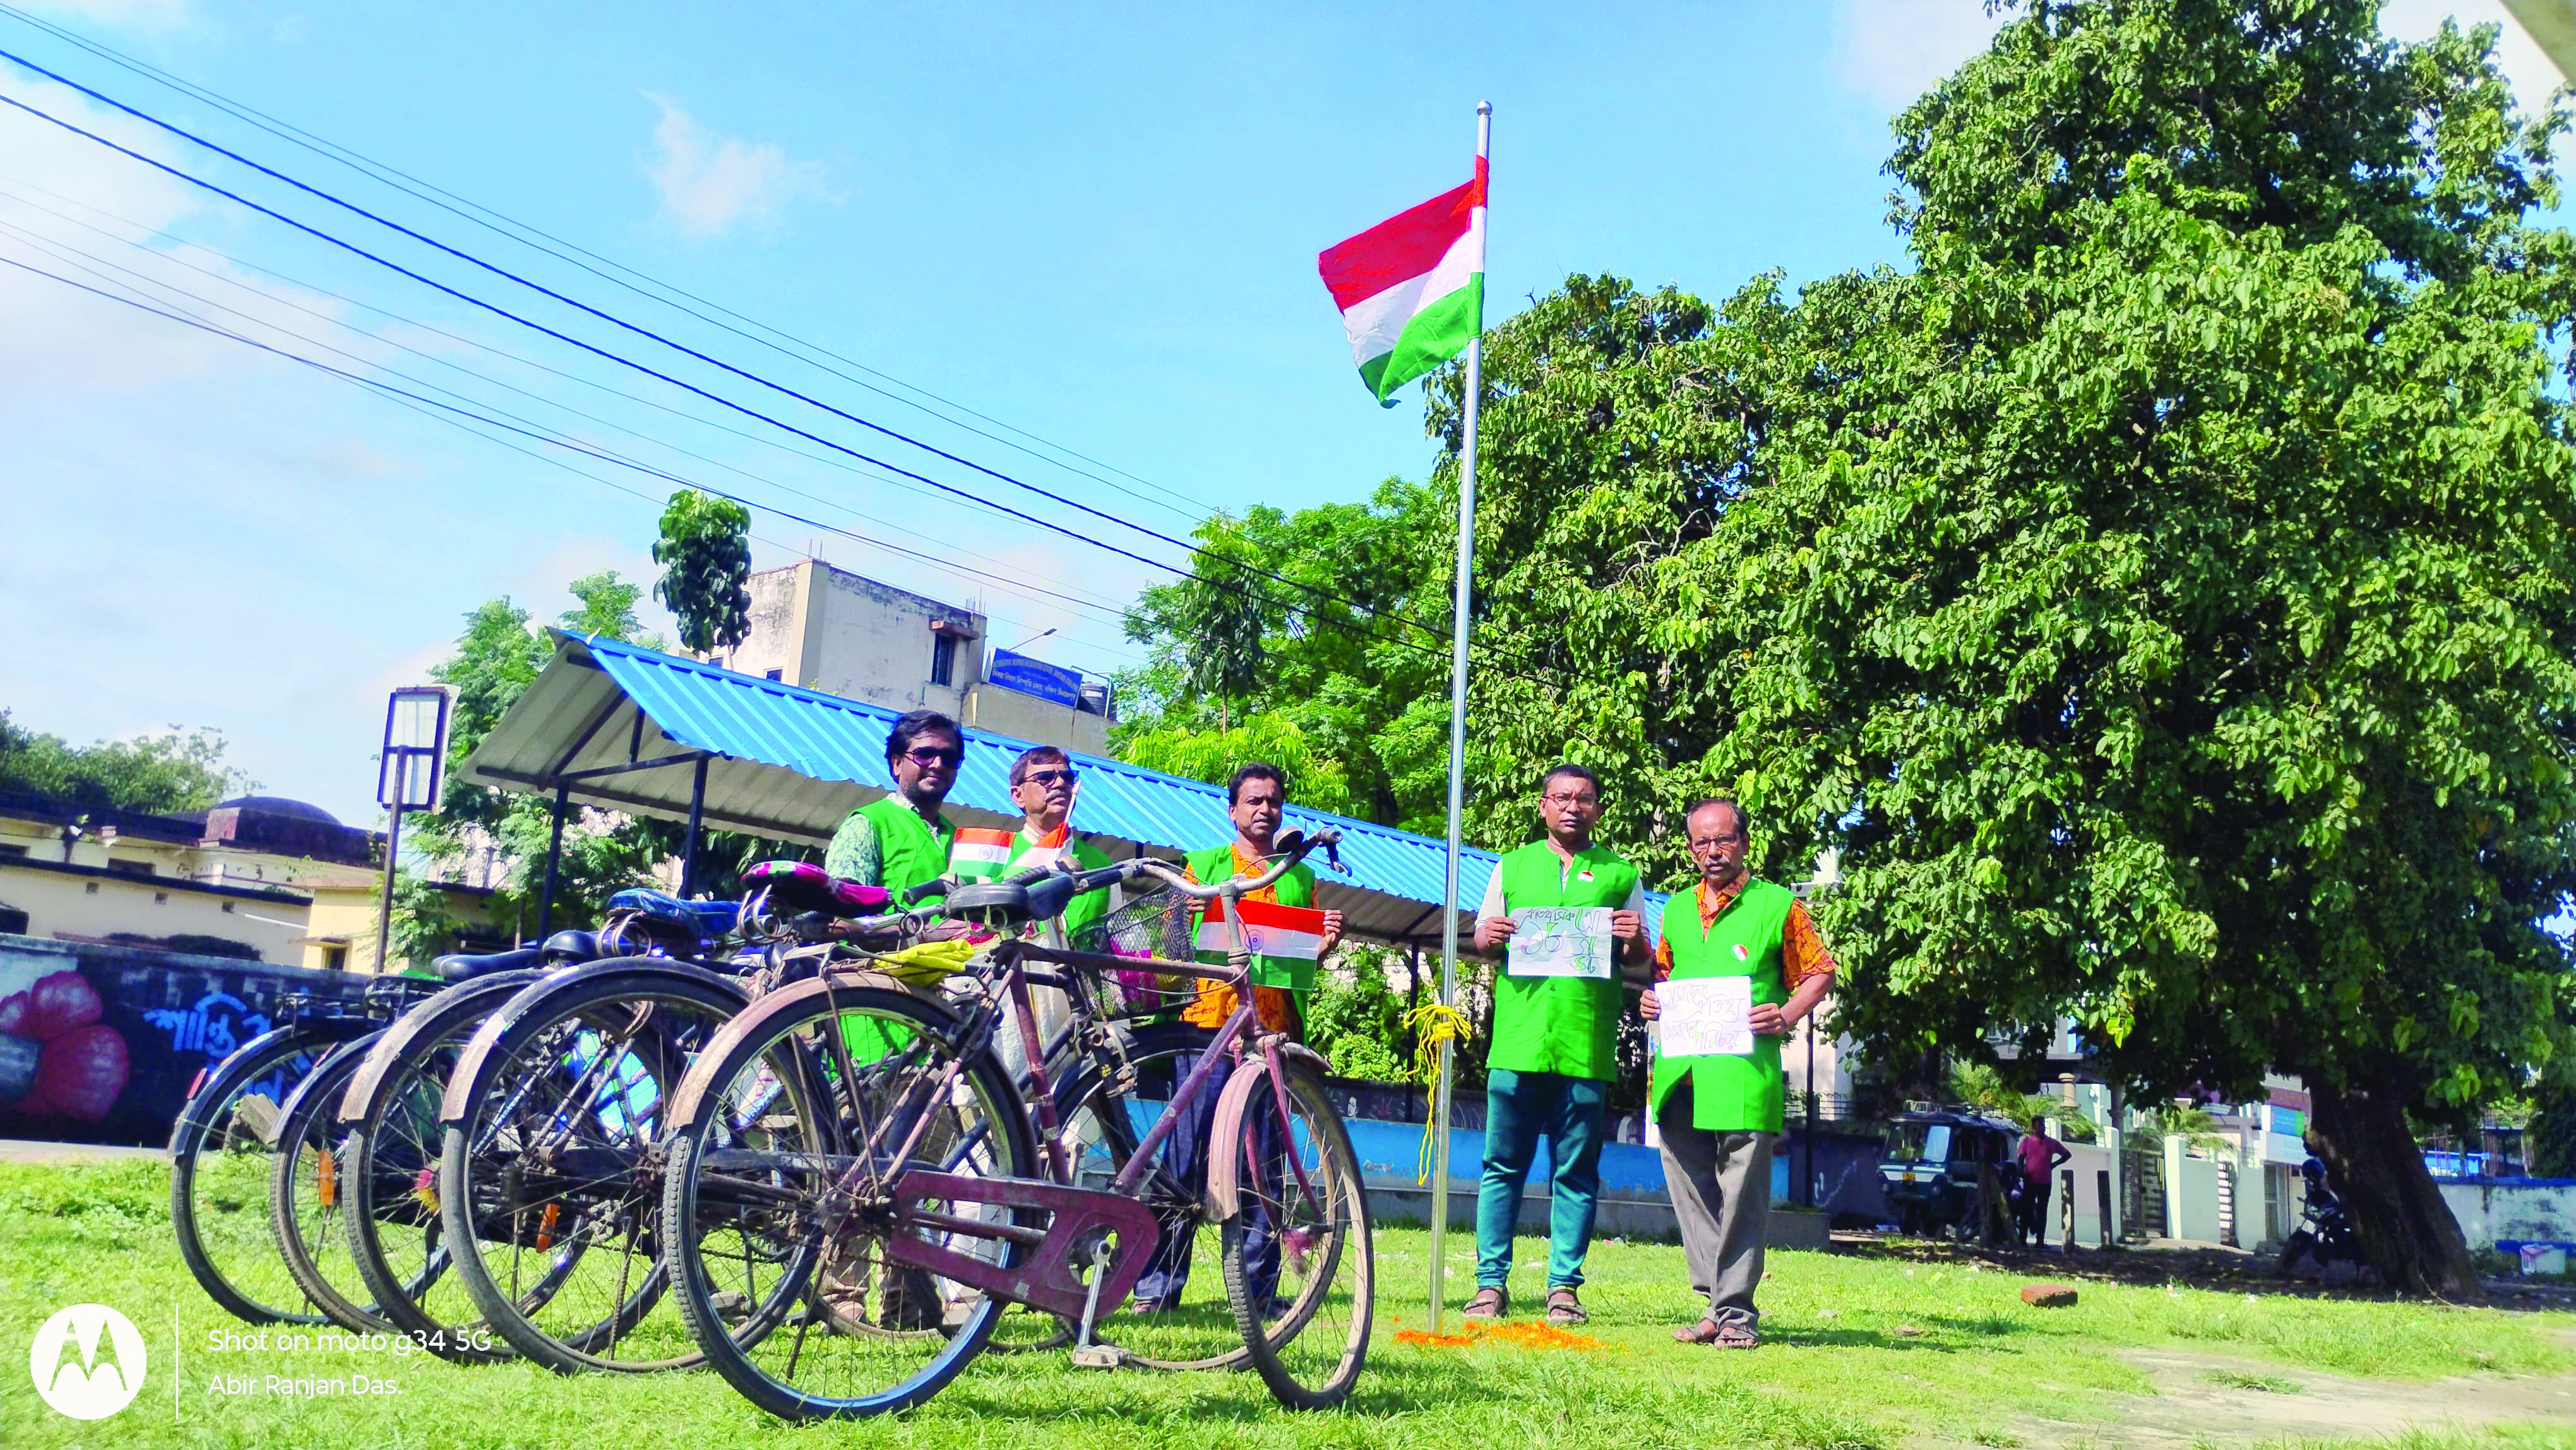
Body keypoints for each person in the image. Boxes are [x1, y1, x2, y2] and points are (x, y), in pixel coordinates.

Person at [1129, 762, 1345, 1311]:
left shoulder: (1296, 875)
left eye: (1273, 800)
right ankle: (1157, 1288)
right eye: (1253, 800)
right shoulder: (1202, 865)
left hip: (1271, 1036)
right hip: (1207, 1029)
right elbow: (1170, 943)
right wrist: (1187, 911)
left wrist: (1324, 948)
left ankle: (1256, 1293)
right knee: (1185, 1159)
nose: (1264, 809)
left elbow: (1293, 962)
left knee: (1264, 1167)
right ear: (1232, 810)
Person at [1640, 798, 1835, 1348]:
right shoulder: (1676, 909)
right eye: (1702, 842)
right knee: (1693, 1194)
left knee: (1742, 1195)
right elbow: (1663, 977)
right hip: (1681, 1076)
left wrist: (1787, 1013)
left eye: (1723, 839)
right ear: (1689, 849)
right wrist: (1651, 1004)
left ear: (1745, 842)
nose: (1713, 851)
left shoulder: (1778, 906)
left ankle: (1738, 1315)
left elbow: (1821, 971)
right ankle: (1714, 1305)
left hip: (1746, 1072)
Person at [1463, 763, 1649, 1327]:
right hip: (1518, 1043)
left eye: (1584, 798)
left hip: (1585, 1045)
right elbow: (1481, 937)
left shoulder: (1621, 874)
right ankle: (1490, 1285)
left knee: (1576, 1174)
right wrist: (1486, 937)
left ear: (1597, 808)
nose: (1573, 807)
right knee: (1502, 1168)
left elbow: (1641, 960)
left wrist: (1634, 938)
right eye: (1562, 797)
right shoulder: (1512, 866)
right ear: (1543, 805)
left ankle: (1564, 1288)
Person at [825, 709, 962, 897]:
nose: (938, 764)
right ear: (897, 764)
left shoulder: (960, 838)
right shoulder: (867, 824)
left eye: (949, 758)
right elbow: (842, 914)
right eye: (925, 754)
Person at [2016, 1121, 2073, 1246]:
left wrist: (2054, 1164)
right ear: (2034, 1128)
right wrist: (2021, 1171)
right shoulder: (2027, 1142)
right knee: (2026, 1210)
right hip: (2030, 1181)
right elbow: (2020, 1158)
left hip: (2045, 1182)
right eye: (2039, 1126)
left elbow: (2067, 1155)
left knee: (2043, 1211)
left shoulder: (2051, 1143)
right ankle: (2022, 1240)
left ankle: (2040, 1241)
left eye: (2043, 1126)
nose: (2042, 1128)